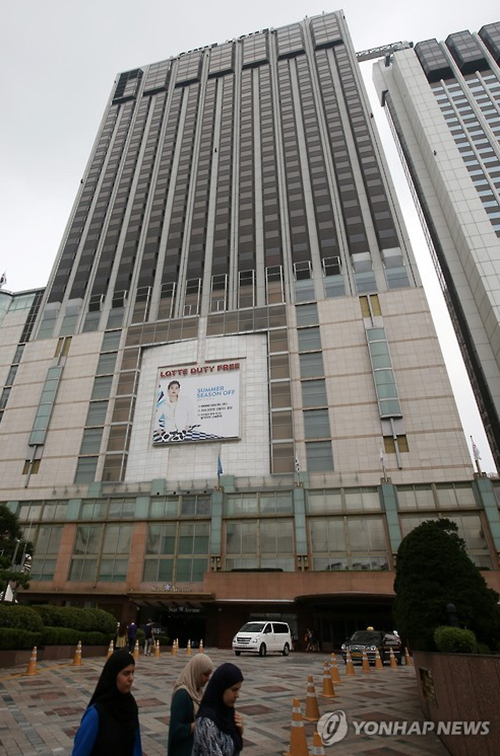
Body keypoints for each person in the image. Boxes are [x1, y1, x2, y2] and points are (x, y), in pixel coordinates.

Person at [71, 649, 142, 756]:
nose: (131, 678)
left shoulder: (130, 706)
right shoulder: (96, 714)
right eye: (126, 673)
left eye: (132, 673)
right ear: (113, 675)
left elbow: (136, 747)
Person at [193, 662, 244, 756]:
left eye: (238, 689)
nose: (237, 695)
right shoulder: (206, 722)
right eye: (234, 689)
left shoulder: (227, 712)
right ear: (221, 689)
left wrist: (239, 731)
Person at [167, 654, 214, 756]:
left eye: (209, 675)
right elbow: (175, 730)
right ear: (196, 672)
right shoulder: (182, 695)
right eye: (205, 674)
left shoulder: (198, 691)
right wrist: (196, 725)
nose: (208, 678)